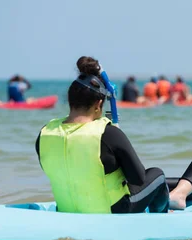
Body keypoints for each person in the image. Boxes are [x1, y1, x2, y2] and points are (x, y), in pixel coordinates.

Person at [35, 56, 168, 214]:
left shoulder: (45, 132)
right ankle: (161, 219)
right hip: (113, 211)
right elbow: (138, 179)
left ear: (70, 100)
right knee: (157, 175)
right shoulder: (108, 133)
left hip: (67, 210)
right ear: (98, 104)